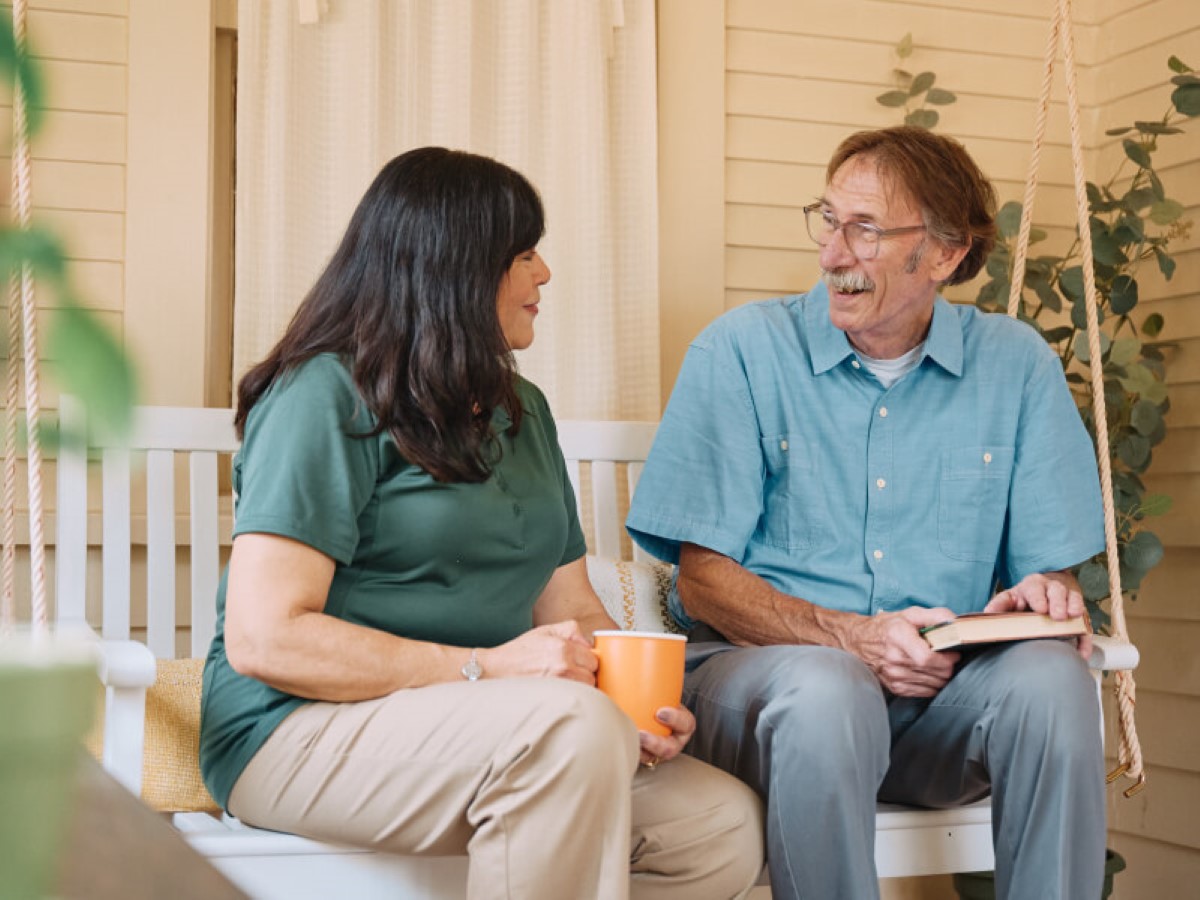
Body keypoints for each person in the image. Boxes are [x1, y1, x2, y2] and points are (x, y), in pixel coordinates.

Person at [198, 147, 763, 900]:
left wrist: (639, 705)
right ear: (457, 267)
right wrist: (487, 670)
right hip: (294, 731)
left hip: (490, 726)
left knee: (717, 827)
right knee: (567, 731)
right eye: (524, 253)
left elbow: (570, 609)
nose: (544, 275)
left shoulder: (522, 413)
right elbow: (267, 637)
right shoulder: (323, 396)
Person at [627, 126, 1107, 900]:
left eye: (866, 230)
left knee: (1053, 682)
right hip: (767, 698)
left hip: (938, 709)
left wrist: (1045, 591)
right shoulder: (743, 352)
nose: (832, 254)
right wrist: (853, 640)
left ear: (946, 254)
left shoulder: (1015, 365)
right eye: (828, 220)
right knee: (829, 687)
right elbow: (702, 580)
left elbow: (1048, 568)